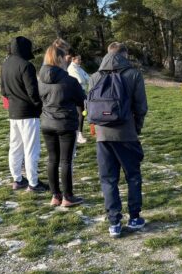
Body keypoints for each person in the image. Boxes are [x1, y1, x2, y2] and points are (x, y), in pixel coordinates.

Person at [88, 42, 148, 238]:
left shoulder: (95, 76)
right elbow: (141, 106)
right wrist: (136, 127)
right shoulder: (133, 74)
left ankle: (114, 222)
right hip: (126, 134)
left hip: (102, 135)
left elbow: (89, 106)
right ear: (124, 54)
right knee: (133, 176)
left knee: (108, 179)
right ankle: (134, 217)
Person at [39, 45, 87, 207]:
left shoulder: (41, 80)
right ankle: (67, 196)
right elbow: (82, 100)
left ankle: (55, 195)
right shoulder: (70, 81)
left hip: (47, 123)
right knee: (65, 161)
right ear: (60, 59)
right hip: (65, 123)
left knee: (52, 159)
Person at [0, 36, 48, 193]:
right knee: (31, 149)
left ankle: (17, 179)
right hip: (28, 113)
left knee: (15, 147)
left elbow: (3, 91)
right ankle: (33, 183)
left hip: (13, 112)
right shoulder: (26, 66)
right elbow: (33, 92)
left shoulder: (5, 64)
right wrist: (40, 106)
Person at [67, 49, 90, 144]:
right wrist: (86, 80)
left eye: (80, 59)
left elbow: (87, 78)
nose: (80, 61)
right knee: (80, 114)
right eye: (78, 59)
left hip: (82, 92)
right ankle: (78, 135)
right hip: (76, 93)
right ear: (73, 59)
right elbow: (80, 80)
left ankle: (78, 133)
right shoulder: (72, 68)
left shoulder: (79, 68)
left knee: (83, 114)